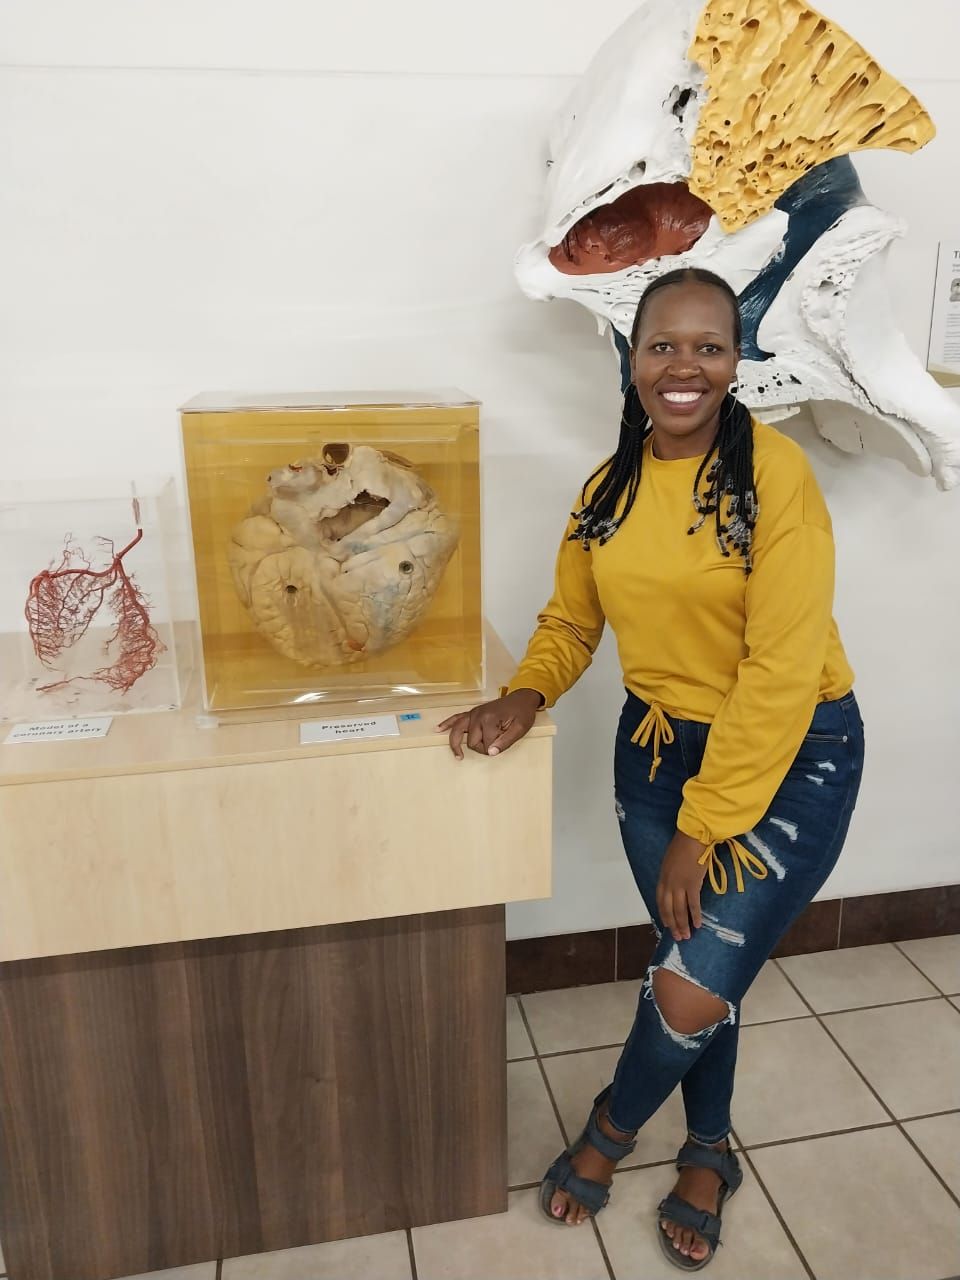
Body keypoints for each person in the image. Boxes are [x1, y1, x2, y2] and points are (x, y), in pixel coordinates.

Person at [439, 267, 864, 1270]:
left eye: (708, 346)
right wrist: (528, 691)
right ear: (631, 359)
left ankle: (608, 1131)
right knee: (700, 975)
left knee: (685, 984)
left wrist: (701, 825)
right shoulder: (610, 487)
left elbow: (779, 668)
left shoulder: (775, 478)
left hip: (791, 753)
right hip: (657, 754)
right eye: (662, 345)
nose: (685, 367)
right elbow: (573, 618)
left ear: (735, 361)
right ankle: (709, 1151)